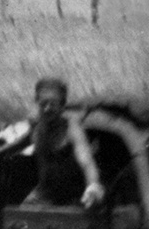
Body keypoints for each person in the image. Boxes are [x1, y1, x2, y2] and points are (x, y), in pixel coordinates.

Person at [23, 77, 106, 209]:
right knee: (22, 217)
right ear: (37, 102)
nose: (47, 108)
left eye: (53, 104)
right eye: (43, 103)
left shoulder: (72, 128)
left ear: (62, 106)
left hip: (76, 195)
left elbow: (87, 162)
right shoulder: (35, 128)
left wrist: (93, 186)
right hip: (47, 194)